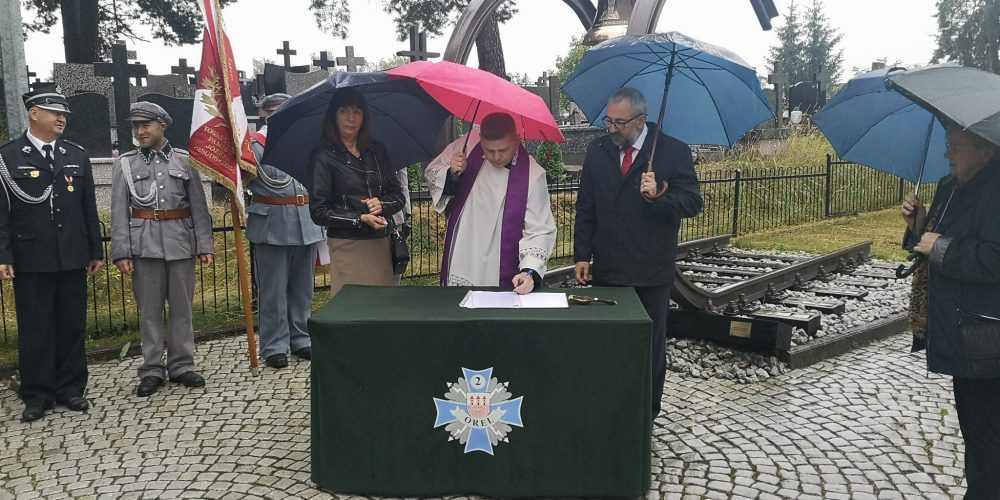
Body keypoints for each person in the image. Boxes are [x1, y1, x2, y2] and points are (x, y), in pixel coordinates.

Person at [574, 88, 703, 418]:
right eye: (608, 121)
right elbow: (586, 205)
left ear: (641, 121)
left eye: (619, 122)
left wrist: (660, 196)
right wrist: (582, 254)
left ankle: (646, 413)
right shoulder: (598, 151)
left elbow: (693, 202)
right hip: (608, 268)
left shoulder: (673, 152)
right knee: (608, 343)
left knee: (649, 345)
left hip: (650, 271)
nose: (612, 128)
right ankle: (609, 409)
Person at [901, 126, 1000, 498]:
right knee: (975, 434)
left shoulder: (996, 191)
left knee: (989, 442)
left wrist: (940, 246)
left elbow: (994, 257)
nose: (948, 155)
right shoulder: (949, 186)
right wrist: (918, 226)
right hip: (958, 332)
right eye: (948, 146)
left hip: (987, 339)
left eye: (957, 147)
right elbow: (929, 244)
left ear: (985, 151)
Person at [0, 90, 104, 422]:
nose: (62, 119)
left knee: (71, 325)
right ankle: (37, 394)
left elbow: (88, 208)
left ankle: (71, 388)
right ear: (34, 114)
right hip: (31, 258)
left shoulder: (75, 154)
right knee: (36, 328)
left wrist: (95, 250)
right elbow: (2, 213)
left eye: (64, 114)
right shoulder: (8, 156)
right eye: (54, 112)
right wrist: (4, 255)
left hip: (72, 255)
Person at [110, 102, 214, 398]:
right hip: (144, 247)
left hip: (180, 244)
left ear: (162, 125)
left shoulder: (185, 161)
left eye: (146, 125)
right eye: (136, 126)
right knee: (150, 312)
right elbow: (119, 211)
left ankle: (182, 365)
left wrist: (204, 245)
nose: (140, 131)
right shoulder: (126, 164)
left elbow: (198, 207)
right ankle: (152, 369)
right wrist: (122, 252)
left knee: (182, 310)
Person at [426, 113, 557, 293]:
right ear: (480, 139)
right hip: (464, 249)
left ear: (516, 139)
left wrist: (529, 271)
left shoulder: (532, 174)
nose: (496, 157)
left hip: (498, 263)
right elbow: (433, 172)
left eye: (503, 150)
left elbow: (539, 229)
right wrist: (451, 174)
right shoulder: (467, 146)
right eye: (489, 150)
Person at [248, 93, 324, 369]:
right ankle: (274, 345)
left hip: (306, 221)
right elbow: (241, 180)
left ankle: (301, 338)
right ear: (267, 116)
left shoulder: (307, 143)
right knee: (273, 290)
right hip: (272, 224)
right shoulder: (254, 146)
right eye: (276, 113)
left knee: (302, 289)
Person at [309, 88, 405, 297]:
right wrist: (359, 218)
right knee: (352, 305)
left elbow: (398, 196)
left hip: (381, 243)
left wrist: (382, 205)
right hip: (347, 244)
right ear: (334, 115)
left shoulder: (377, 151)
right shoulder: (323, 156)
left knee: (382, 304)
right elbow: (319, 211)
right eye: (344, 111)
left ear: (364, 117)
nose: (351, 118)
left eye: (357, 111)